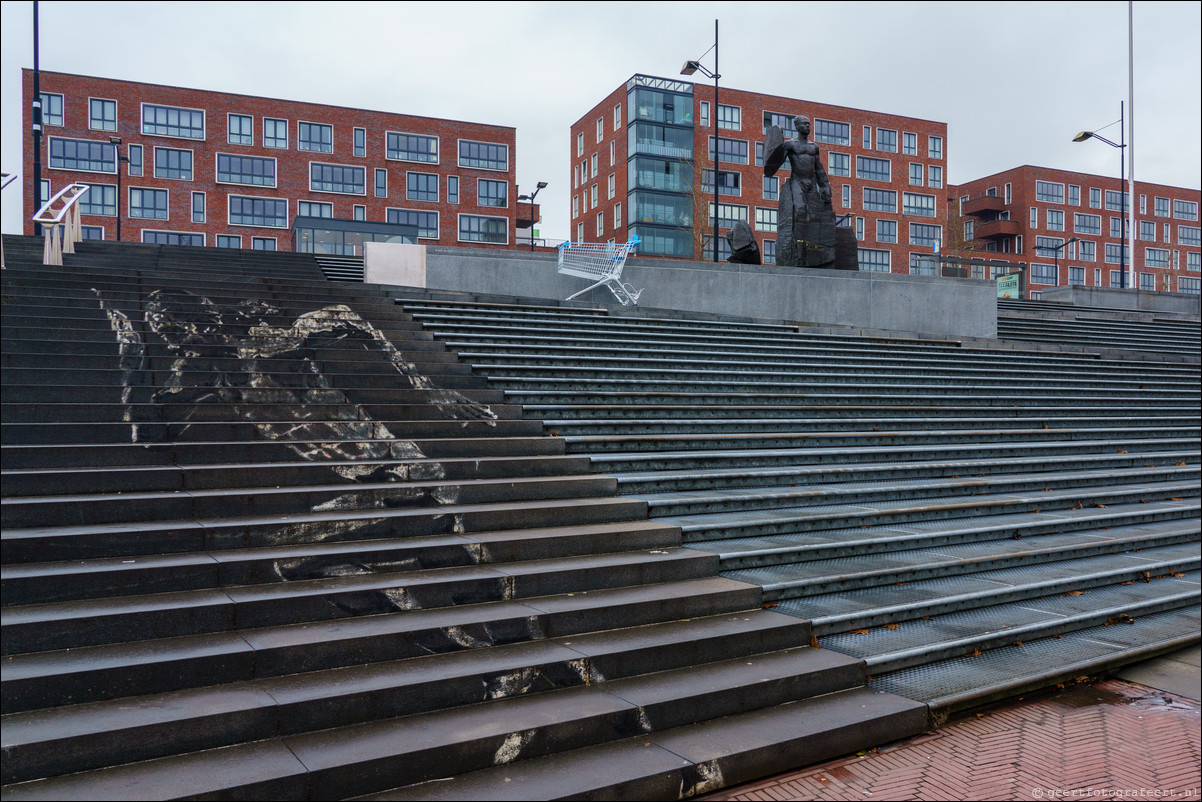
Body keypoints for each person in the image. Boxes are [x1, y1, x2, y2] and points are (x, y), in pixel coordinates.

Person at [764, 114, 837, 267]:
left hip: (811, 184)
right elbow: (774, 163)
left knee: (814, 217)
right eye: (804, 124)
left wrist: (825, 185)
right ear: (797, 126)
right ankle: (797, 254)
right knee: (800, 213)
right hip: (797, 182)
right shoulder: (790, 145)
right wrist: (774, 141)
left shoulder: (814, 146)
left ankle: (813, 253)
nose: (807, 126)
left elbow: (819, 168)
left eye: (809, 124)